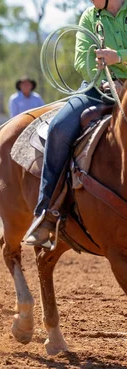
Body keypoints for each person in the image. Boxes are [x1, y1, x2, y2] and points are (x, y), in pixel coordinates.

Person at [25, 0, 127, 246]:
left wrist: (119, 58)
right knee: (59, 127)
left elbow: (114, 58)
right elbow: (82, 60)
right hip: (98, 88)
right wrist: (104, 78)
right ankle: (46, 212)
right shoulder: (90, 16)